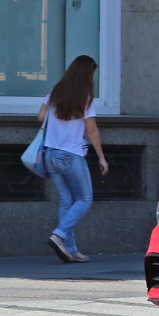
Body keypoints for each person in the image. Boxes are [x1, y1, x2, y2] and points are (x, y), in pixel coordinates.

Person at [38, 55, 109, 263]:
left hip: (50, 154)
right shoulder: (85, 98)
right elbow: (92, 129)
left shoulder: (55, 92)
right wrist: (102, 158)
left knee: (67, 201)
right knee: (85, 199)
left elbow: (41, 117)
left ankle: (70, 250)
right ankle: (58, 234)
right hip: (71, 155)